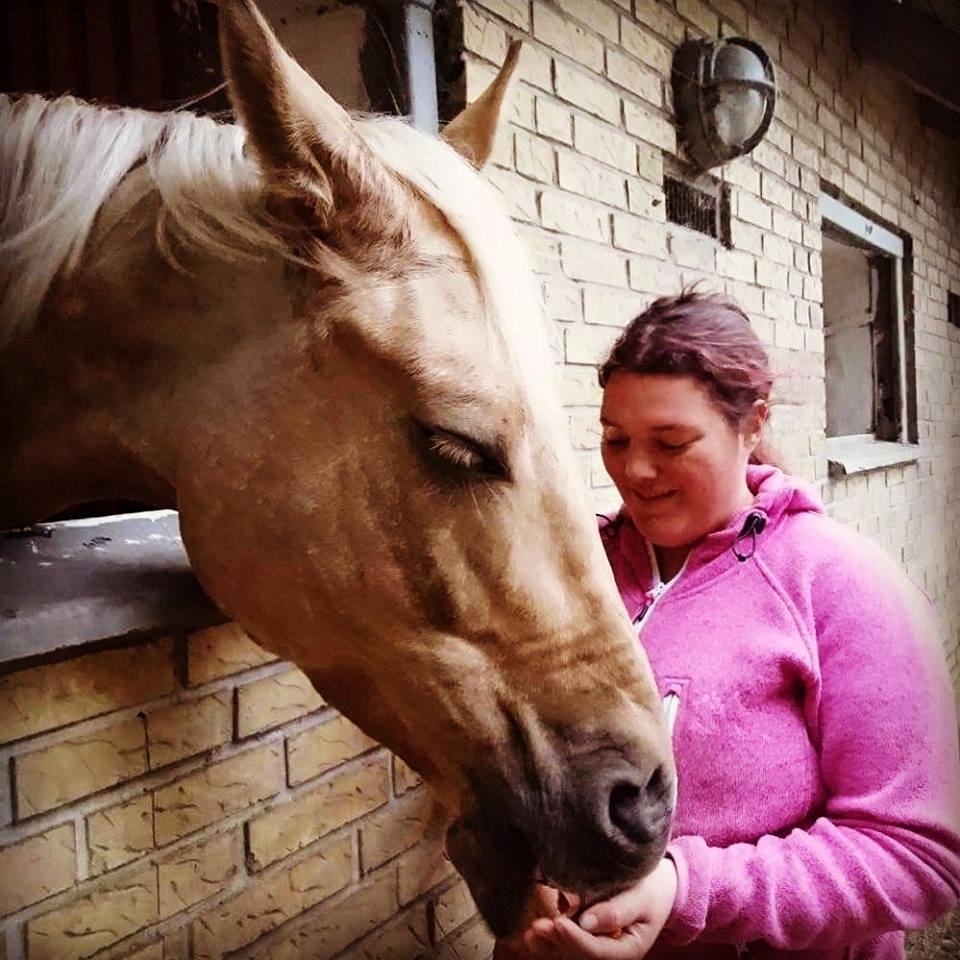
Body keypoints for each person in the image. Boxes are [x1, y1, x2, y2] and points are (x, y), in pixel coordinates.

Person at [499, 289, 960, 960]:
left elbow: (917, 854)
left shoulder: (839, 584)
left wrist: (684, 891)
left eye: (672, 442)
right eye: (615, 439)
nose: (635, 470)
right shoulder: (575, 573)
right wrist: (529, 877)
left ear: (752, 426)